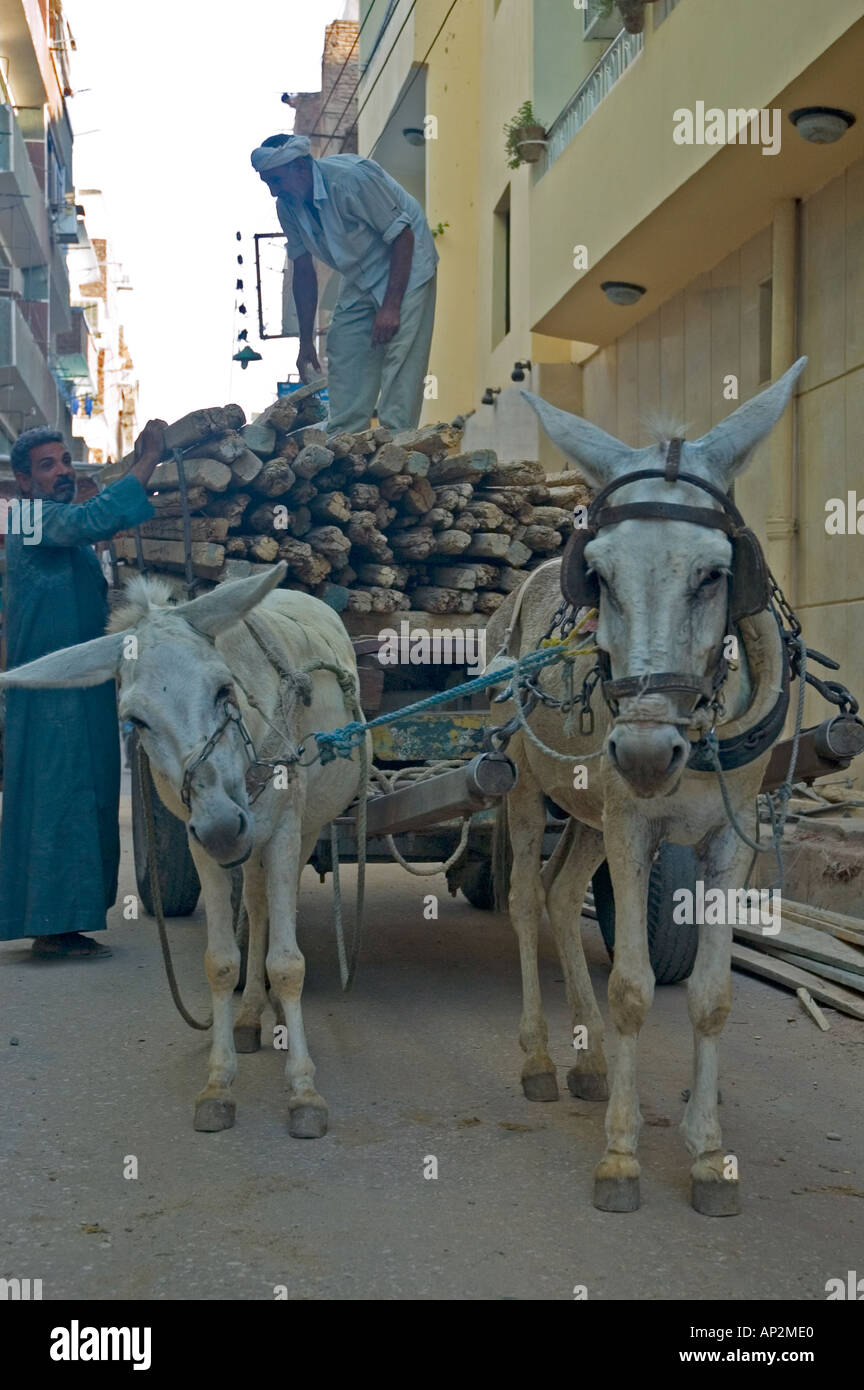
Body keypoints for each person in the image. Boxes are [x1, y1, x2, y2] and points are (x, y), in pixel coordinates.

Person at [0, 421, 166, 958]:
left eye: (66, 461)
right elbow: (92, 518)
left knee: (90, 795)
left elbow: (91, 525)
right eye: (47, 466)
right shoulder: (26, 518)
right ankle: (50, 925)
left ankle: (69, 921)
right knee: (55, 798)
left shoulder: (69, 537)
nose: (62, 471)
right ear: (23, 481)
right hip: (50, 691)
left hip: (86, 686)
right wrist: (146, 462)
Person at [251, 132, 438, 436]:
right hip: (359, 274)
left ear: (300, 166)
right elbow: (303, 269)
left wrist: (391, 307)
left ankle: (397, 443)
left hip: (408, 260)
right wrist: (305, 341)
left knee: (400, 356)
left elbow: (403, 235)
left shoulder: (350, 179)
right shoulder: (287, 207)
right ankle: (345, 438)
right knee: (343, 347)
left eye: (277, 181)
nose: (274, 192)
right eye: (268, 183)